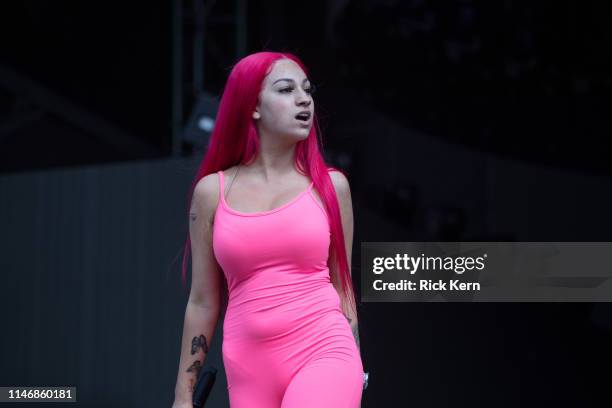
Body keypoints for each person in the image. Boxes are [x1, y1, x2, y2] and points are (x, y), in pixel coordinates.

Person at [172, 51, 364, 407]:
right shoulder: (212, 193)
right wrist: (183, 397)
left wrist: (355, 363)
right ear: (253, 107)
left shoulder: (331, 187)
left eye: (307, 90)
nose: (304, 98)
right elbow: (202, 300)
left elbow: (344, 287)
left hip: (324, 350)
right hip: (248, 367)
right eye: (286, 90)